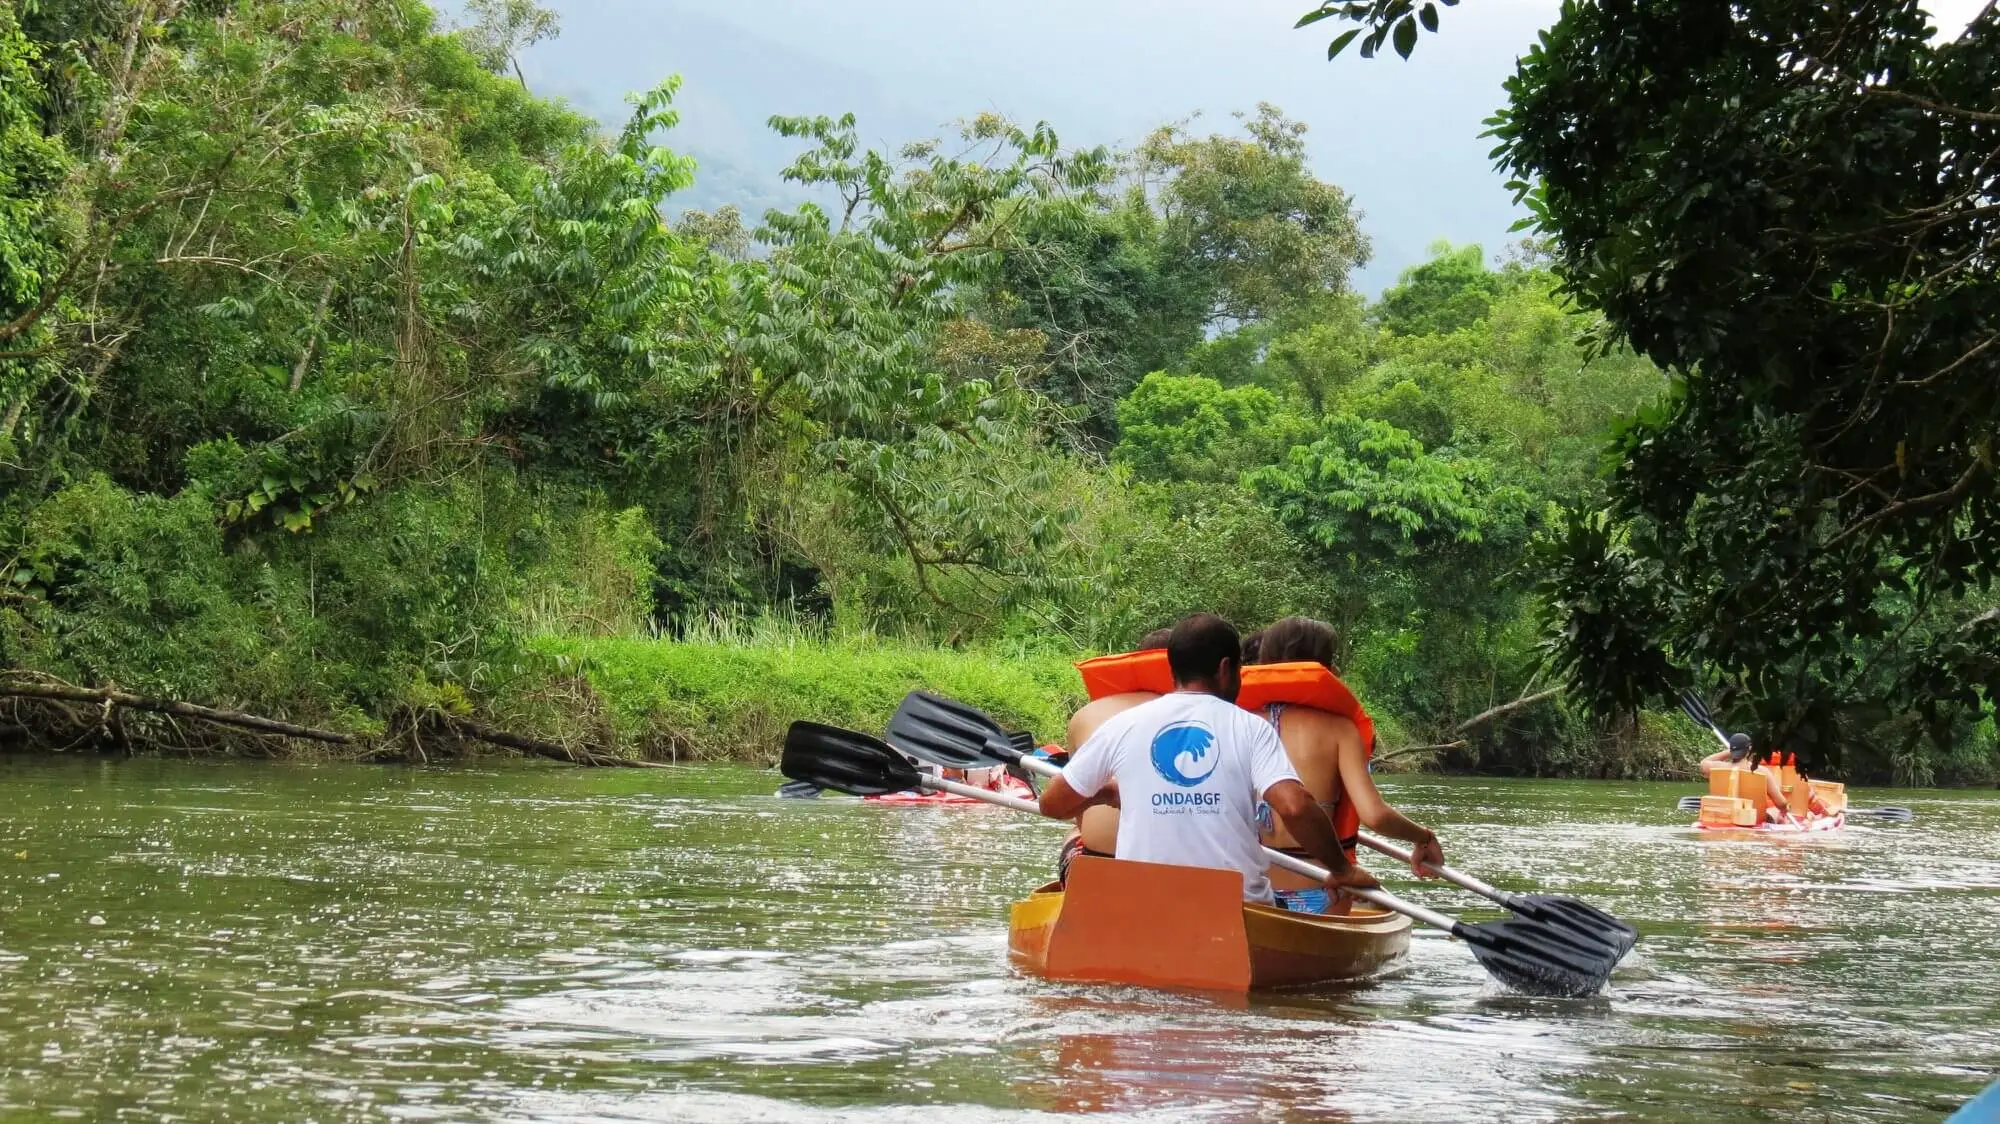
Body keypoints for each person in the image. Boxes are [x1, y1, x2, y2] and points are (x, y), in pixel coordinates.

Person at [1039, 613, 1380, 906]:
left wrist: (1102, 792)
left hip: (1143, 904)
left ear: (1173, 668)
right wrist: (1342, 869)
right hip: (1236, 906)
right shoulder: (1249, 727)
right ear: (1225, 669)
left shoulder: (1123, 725)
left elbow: (1052, 805)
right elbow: (1294, 807)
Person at [1251, 616, 1445, 913]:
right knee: (1379, 908)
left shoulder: (1239, 722)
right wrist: (1424, 837)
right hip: (1318, 892)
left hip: (1250, 894)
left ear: (1265, 659)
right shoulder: (1340, 730)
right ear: (1327, 666)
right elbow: (1374, 816)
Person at [1058, 627, 1171, 882]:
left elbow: (1079, 811)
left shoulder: (1087, 714)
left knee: (1072, 833)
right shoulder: (1204, 716)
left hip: (1097, 860)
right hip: (1173, 866)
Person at [1699, 733, 1791, 823]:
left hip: (1723, 816)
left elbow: (1704, 762)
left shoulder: (1715, 768)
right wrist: (1784, 811)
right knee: (1775, 811)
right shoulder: (1762, 772)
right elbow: (1781, 803)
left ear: (1731, 750)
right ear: (1749, 750)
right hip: (1754, 820)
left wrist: (1729, 751)